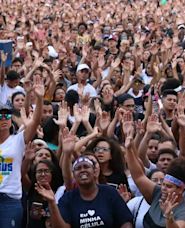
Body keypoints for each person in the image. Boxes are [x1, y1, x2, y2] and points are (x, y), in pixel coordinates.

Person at [35, 151, 133, 227]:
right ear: (74, 175)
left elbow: (125, 222)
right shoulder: (68, 199)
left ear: (94, 172)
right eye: (78, 168)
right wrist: (52, 202)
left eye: (86, 167)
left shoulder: (109, 192)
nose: (82, 170)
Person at [126, 132, 185, 228]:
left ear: (181, 189)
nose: (163, 188)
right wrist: (129, 149)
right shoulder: (157, 193)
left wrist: (169, 217)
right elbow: (139, 176)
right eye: (163, 184)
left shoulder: (184, 212)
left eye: (169, 186)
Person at [0, 76, 44, 228]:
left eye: (6, 115)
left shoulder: (17, 140)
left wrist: (39, 98)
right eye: (0, 116)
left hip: (9, 200)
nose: (3, 118)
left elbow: (36, 121)